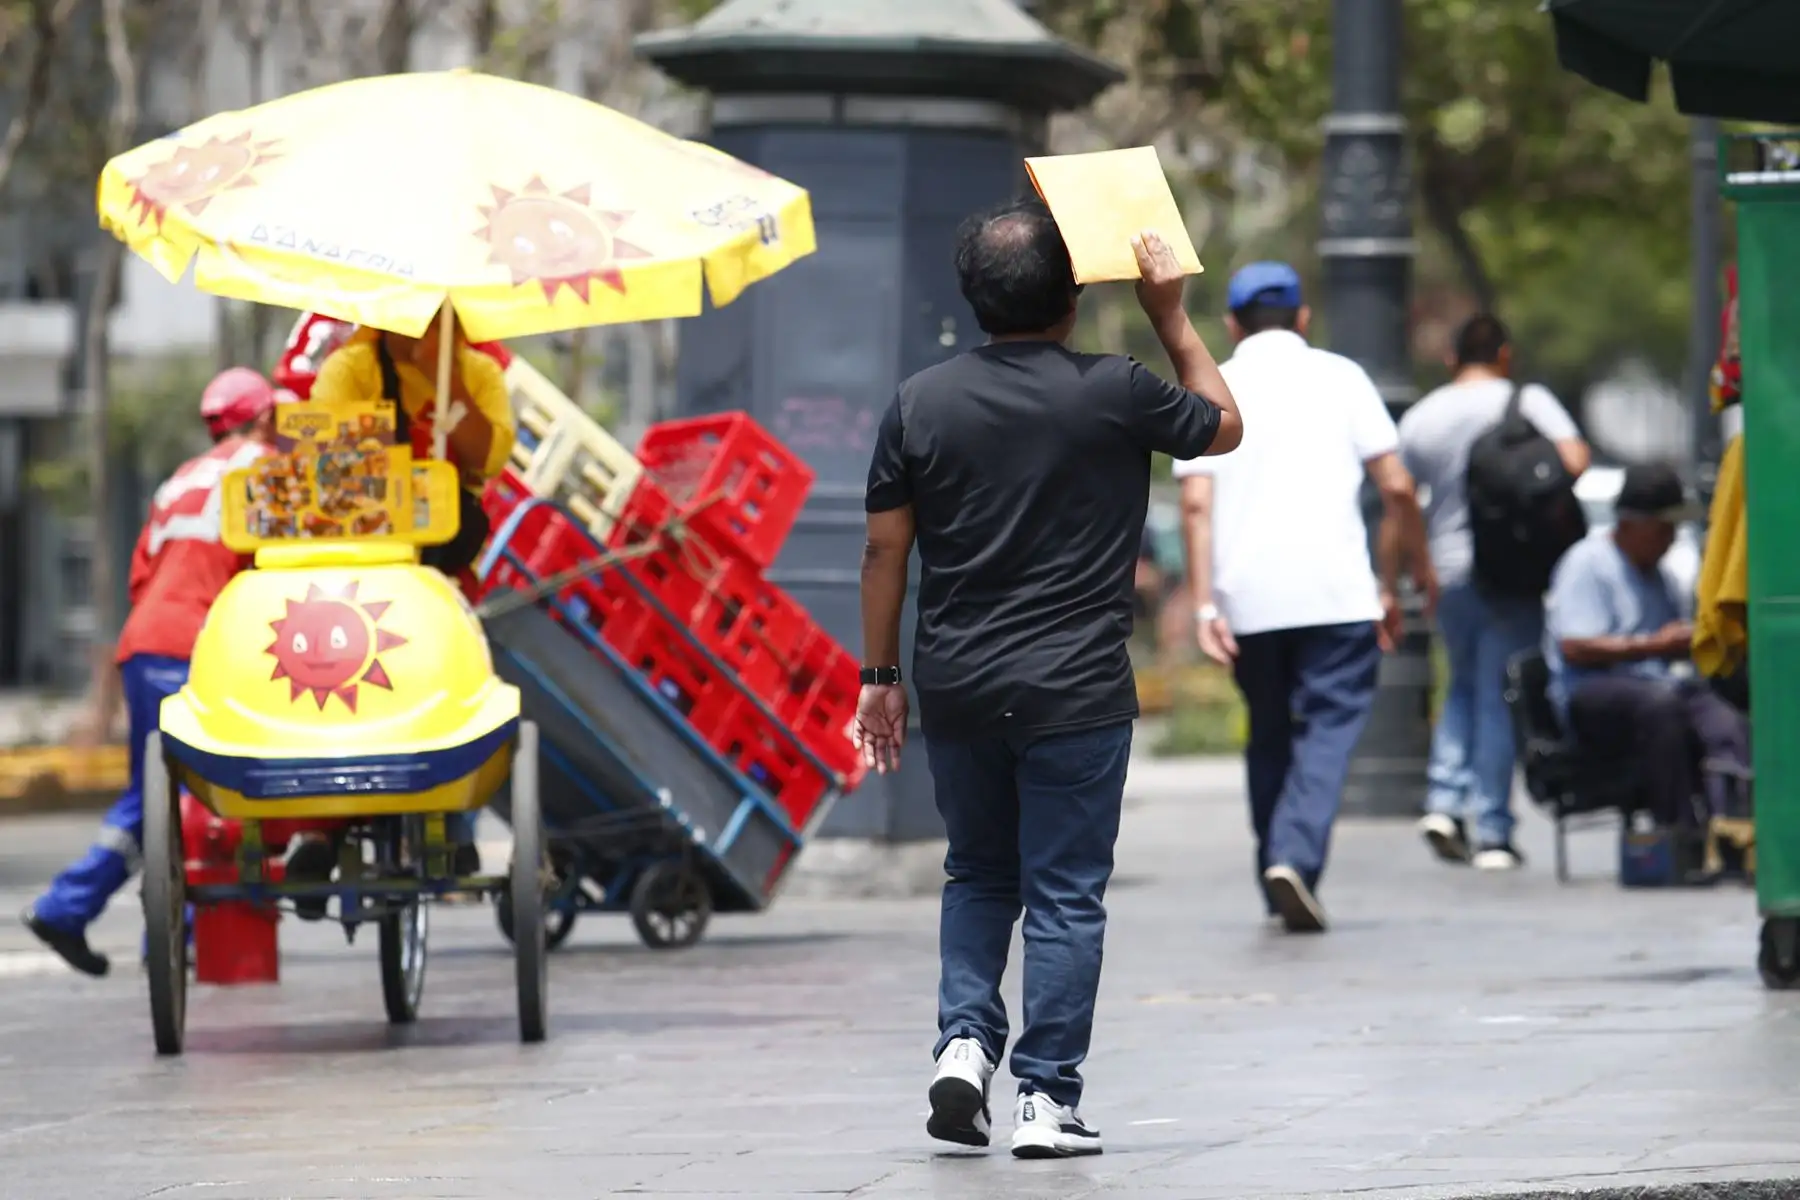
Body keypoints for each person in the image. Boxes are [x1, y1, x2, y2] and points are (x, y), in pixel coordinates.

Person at [855, 200, 1240, 1158]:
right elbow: (1225, 428)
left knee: (978, 872)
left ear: (972, 297)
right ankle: (1045, 1099)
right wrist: (1169, 315)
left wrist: (880, 675)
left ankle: (962, 1044)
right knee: (1065, 892)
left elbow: (884, 552)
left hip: (958, 682)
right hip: (1076, 691)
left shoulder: (918, 403)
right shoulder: (1116, 389)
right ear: (1072, 295)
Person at [1173, 261, 1432, 935]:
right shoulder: (1342, 377)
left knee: (1269, 732)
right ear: (1304, 318)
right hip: (1337, 595)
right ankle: (1293, 857)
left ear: (1232, 324)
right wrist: (1402, 576)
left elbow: (1195, 504)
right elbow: (1398, 488)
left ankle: (1276, 868)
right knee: (1328, 730)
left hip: (1249, 601)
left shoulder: (1211, 382)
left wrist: (1204, 605)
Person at [22, 369, 283, 975]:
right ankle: (102, 916)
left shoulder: (179, 479)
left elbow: (142, 574)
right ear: (267, 416)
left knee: (158, 790)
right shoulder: (268, 470)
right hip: (198, 643)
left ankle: (142, 929)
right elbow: (272, 570)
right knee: (187, 790)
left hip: (145, 643)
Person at [1401, 314, 1590, 870]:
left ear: (1451, 358)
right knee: (1500, 694)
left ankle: (1444, 801)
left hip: (1448, 570)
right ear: (1504, 354)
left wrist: (1412, 569)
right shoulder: (1527, 401)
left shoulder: (1423, 416)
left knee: (1461, 684)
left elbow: (1399, 497)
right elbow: (1575, 460)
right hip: (1513, 569)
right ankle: (1493, 830)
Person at [1544, 462, 1749, 830]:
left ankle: (1730, 823)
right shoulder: (1586, 562)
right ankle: (1678, 829)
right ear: (1629, 524)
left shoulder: (1659, 575)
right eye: (1662, 529)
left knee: (1720, 713)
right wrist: (1653, 645)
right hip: (1592, 691)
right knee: (1660, 707)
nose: (1670, 539)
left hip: (1655, 683)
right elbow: (1575, 647)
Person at [308, 306, 516, 579]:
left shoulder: (481, 374)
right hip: (362, 555)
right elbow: (321, 463)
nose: (432, 326)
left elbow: (489, 460)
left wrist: (445, 378)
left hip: (443, 563)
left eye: (442, 318)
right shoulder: (349, 369)